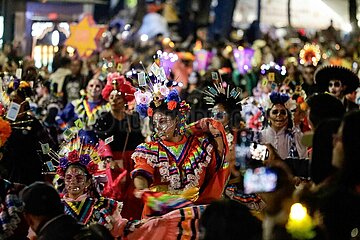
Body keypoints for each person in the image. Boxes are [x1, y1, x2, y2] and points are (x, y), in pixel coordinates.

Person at [131, 74, 229, 217]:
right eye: (155, 123)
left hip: (195, 216)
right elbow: (141, 171)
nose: (158, 128)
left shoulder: (200, 145)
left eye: (163, 121)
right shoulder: (149, 150)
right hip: (160, 218)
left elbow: (215, 172)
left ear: (177, 119)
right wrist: (142, 189)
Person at [55, 139, 127, 238]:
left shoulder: (103, 206)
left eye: (79, 178)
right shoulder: (55, 208)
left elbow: (119, 230)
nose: (73, 181)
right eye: (68, 178)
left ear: (88, 182)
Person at [0, 80, 56, 185]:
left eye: (16, 101)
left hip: (31, 171)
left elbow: (46, 146)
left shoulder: (33, 123)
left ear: (24, 103)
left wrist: (50, 168)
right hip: (9, 173)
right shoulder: (3, 123)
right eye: (10, 101)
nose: (12, 104)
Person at [56, 77, 110, 144]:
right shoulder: (76, 104)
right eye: (91, 85)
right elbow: (58, 118)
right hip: (78, 146)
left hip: (98, 147)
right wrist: (67, 132)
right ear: (86, 88)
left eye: (98, 86)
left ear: (102, 89)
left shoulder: (107, 107)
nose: (94, 88)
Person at [260, 92, 307, 160]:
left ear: (288, 116)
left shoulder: (296, 137)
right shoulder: (260, 136)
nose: (279, 115)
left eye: (283, 112)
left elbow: (303, 161)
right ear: (268, 116)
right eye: (275, 112)